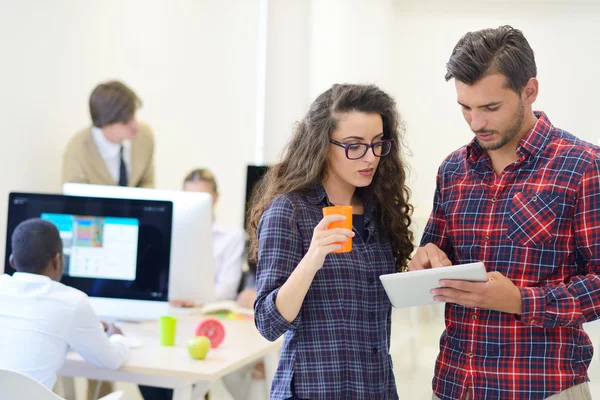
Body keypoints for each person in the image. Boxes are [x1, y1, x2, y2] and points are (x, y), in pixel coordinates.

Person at [410, 26, 598, 400]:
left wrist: (521, 302)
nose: (476, 122)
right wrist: (424, 259)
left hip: (542, 388)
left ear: (529, 90)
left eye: (490, 107)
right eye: (465, 107)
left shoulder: (585, 167)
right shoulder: (453, 170)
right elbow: (433, 253)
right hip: (453, 385)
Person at [248, 83, 414, 399]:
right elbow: (267, 323)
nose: (370, 158)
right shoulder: (290, 211)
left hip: (376, 389)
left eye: (378, 144)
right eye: (354, 146)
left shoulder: (378, 211)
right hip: (314, 390)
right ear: (322, 145)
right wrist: (313, 258)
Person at [0, 219, 128, 391]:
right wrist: (116, 337)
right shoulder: (72, 302)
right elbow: (112, 361)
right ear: (57, 259)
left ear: (12, 262)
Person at [62, 80, 155, 188]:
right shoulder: (77, 149)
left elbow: (147, 183)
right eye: (125, 122)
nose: (135, 127)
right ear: (104, 123)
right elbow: (75, 199)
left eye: (133, 116)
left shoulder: (144, 136)